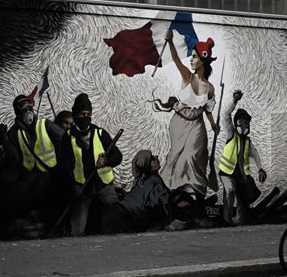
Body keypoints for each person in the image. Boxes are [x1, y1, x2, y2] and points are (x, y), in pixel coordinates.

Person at [160, 30, 219, 203]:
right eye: (192, 56)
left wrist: (213, 125)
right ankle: (176, 191)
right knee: (176, 156)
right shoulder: (187, 76)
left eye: (194, 57)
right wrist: (170, 42)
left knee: (193, 156)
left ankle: (193, 192)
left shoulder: (210, 88)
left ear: (203, 61)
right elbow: (177, 60)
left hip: (197, 125)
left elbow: (208, 109)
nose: (191, 60)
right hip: (180, 122)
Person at [0, 94, 64, 238]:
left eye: (29, 107)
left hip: (52, 172)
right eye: (23, 109)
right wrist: (4, 138)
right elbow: (13, 158)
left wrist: (61, 159)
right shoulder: (14, 132)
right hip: (31, 175)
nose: (28, 111)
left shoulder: (45, 125)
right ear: (17, 112)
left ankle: (50, 225)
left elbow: (65, 140)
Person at [59, 93, 122, 236]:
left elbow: (118, 156)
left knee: (117, 218)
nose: (86, 117)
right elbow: (64, 165)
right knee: (77, 230)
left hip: (104, 184)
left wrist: (106, 161)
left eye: (88, 114)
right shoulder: (68, 137)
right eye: (82, 114)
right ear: (75, 116)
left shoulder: (100, 133)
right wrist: (72, 185)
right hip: (82, 187)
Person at [219, 90, 267, 225]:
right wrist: (234, 101)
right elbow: (226, 115)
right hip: (226, 173)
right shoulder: (231, 134)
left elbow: (255, 155)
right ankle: (226, 220)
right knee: (230, 190)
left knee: (242, 198)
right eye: (240, 122)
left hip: (241, 175)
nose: (244, 125)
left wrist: (260, 169)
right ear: (236, 123)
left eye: (246, 122)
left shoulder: (248, 142)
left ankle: (240, 222)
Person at [101, 150, 171, 233]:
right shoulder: (155, 181)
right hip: (123, 217)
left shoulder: (139, 180)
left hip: (112, 212)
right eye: (152, 158)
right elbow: (165, 201)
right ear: (148, 166)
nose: (156, 157)